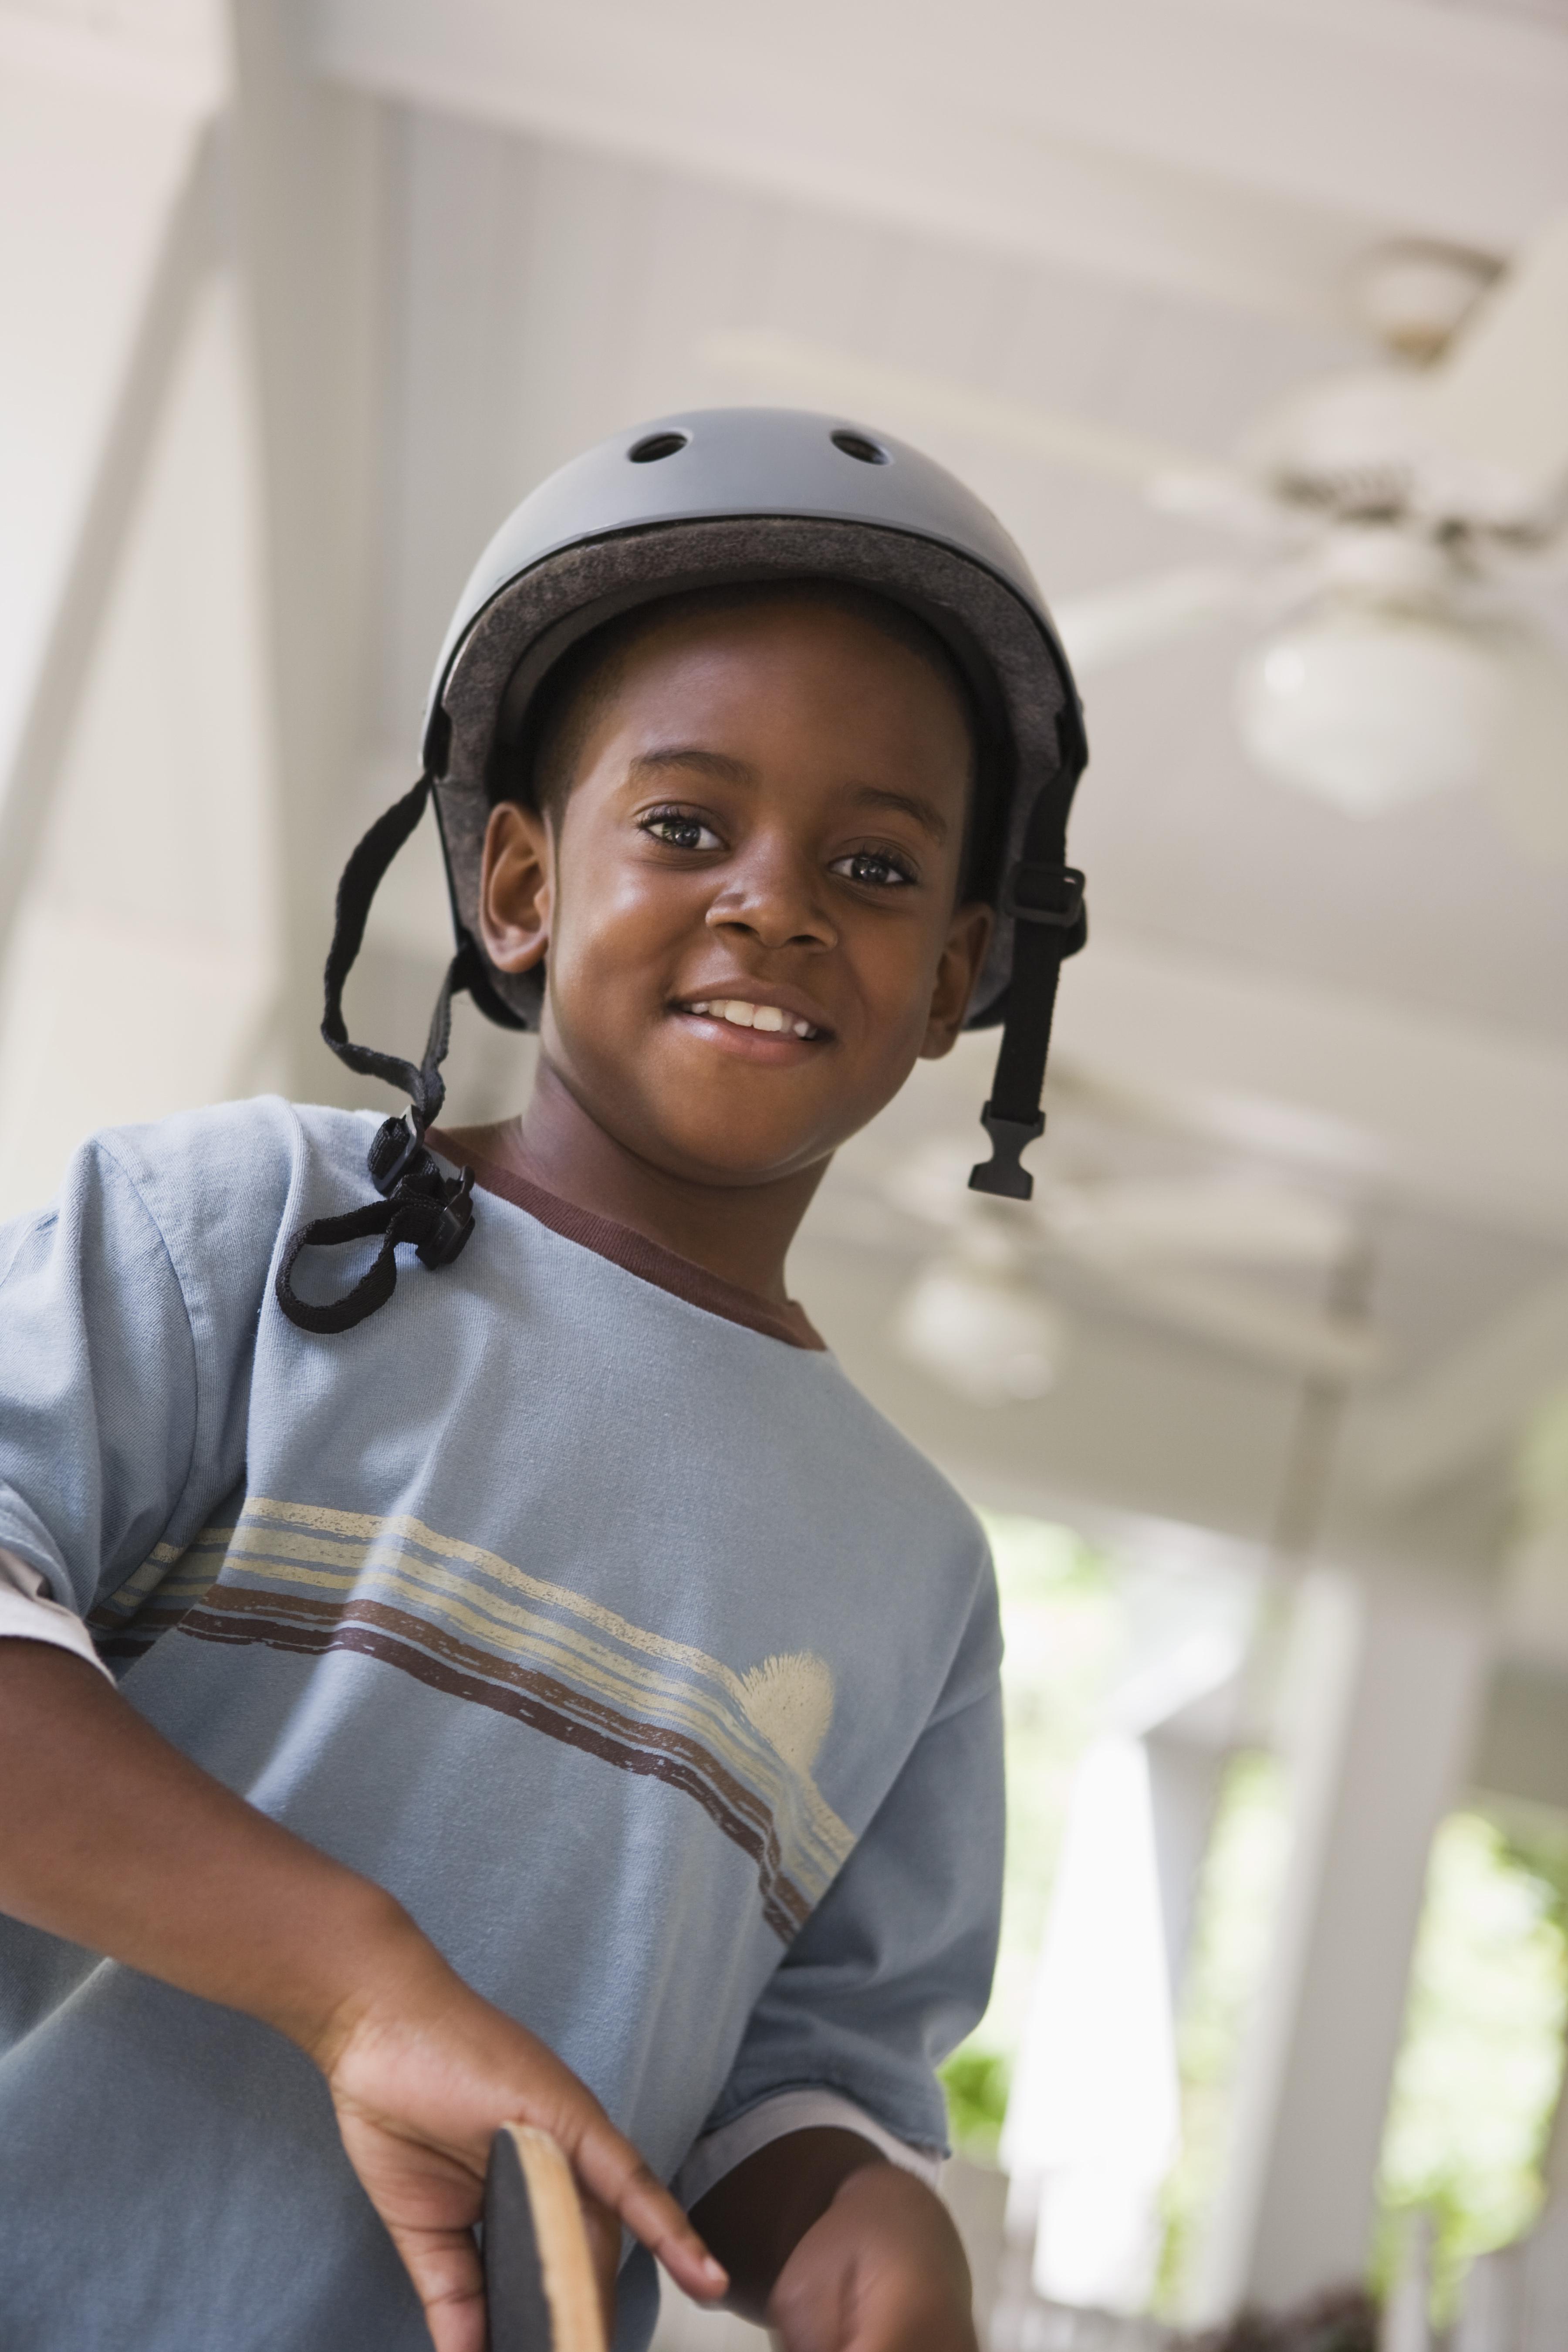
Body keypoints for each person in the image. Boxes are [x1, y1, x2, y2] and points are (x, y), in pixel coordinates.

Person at [0, 409, 1087, 2352]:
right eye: (685, 827)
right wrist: (354, 1979)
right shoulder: (237, 1231)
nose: (777, 902)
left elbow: (799, 2080)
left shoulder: (920, 1582)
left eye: (874, 863)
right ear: (517, 884)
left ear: (954, 981)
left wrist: (861, 2225)